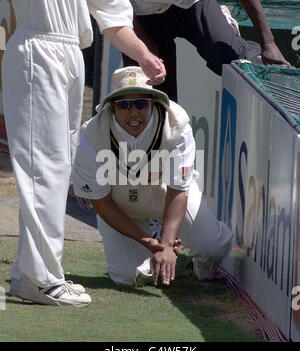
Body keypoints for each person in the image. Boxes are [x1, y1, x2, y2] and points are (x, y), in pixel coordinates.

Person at [2, 0, 166, 307]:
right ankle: (43, 279)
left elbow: (111, 12)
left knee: (57, 168)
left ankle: (30, 275)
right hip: (37, 47)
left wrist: (143, 55)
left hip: (70, 53)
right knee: (43, 169)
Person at [72, 66, 233, 287]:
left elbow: (178, 190)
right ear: (112, 108)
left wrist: (166, 244)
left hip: (168, 199)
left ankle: (191, 259)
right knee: (128, 277)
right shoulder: (90, 136)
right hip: (122, 207)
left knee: (212, 247)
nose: (133, 112)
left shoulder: (176, 126)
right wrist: (150, 243)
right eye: (124, 105)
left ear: (153, 103)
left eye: (140, 104)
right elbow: (102, 203)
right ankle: (156, 246)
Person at [122, 0, 290, 101]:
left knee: (228, 58)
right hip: (142, 16)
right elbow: (117, 6)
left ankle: (248, 50)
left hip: (194, 5)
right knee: (150, 93)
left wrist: (269, 43)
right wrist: (141, 43)